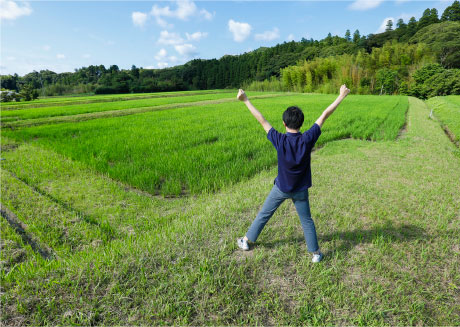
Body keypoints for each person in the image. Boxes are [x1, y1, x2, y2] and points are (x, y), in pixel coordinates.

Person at [236, 85, 350, 263]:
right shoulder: (307, 138)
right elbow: (325, 114)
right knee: (306, 221)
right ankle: (315, 253)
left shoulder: (279, 139)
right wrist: (341, 96)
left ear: (284, 123)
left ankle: (246, 241)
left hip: (281, 188)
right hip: (300, 190)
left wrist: (246, 100)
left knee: (264, 214)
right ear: (301, 123)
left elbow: (262, 120)